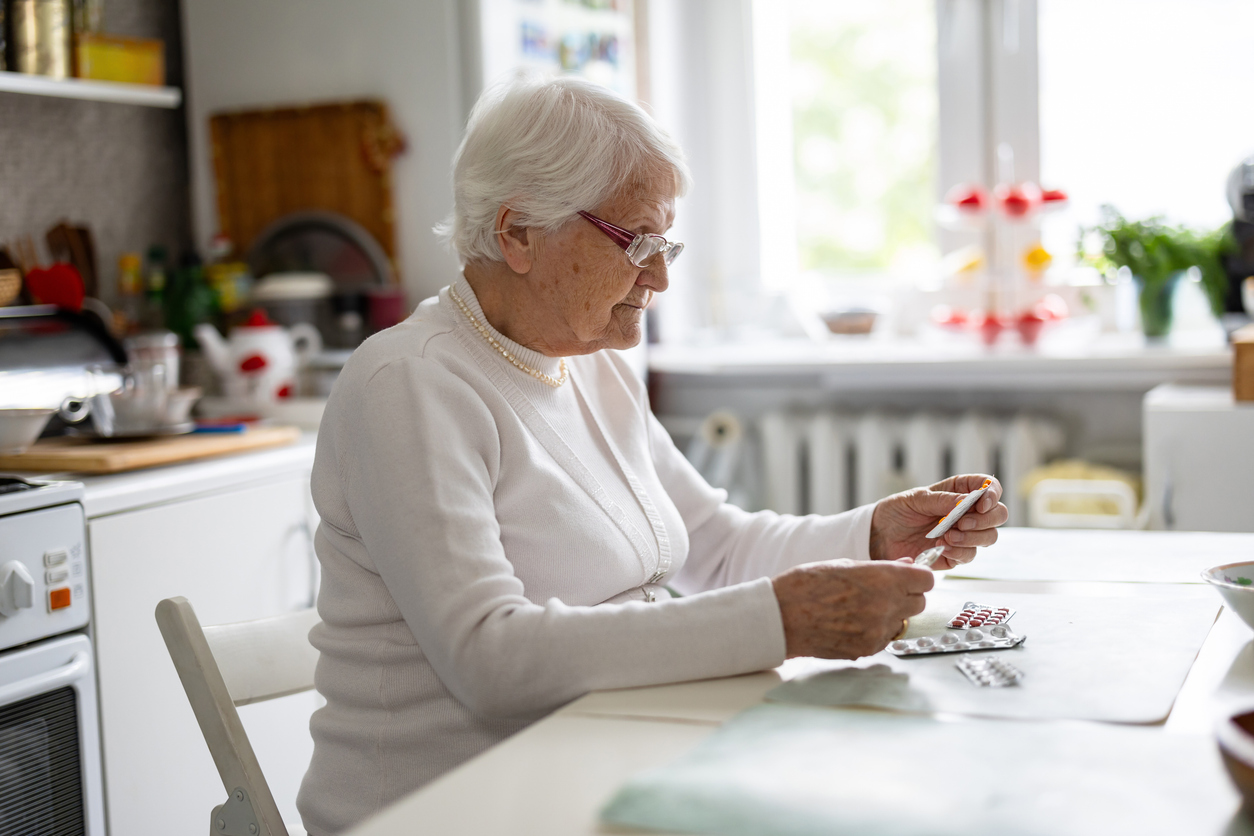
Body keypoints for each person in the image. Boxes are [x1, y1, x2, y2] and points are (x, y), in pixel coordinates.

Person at [296, 75, 1007, 835]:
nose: (661, 276)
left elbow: (716, 546)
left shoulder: (591, 363)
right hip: (445, 811)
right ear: (518, 233)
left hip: (594, 765)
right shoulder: (409, 383)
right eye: (637, 242)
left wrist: (873, 535)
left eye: (665, 244)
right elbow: (488, 658)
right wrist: (783, 620)